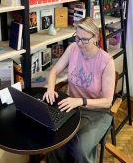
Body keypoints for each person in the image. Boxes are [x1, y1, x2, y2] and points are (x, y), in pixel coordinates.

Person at [43, 17, 115, 163]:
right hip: (72, 107)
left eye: (84, 40)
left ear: (96, 37)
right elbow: (54, 71)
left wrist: (80, 101)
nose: (79, 43)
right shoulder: (72, 49)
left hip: (97, 112)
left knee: (79, 149)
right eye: (77, 38)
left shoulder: (107, 62)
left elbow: (108, 102)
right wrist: (50, 89)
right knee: (55, 138)